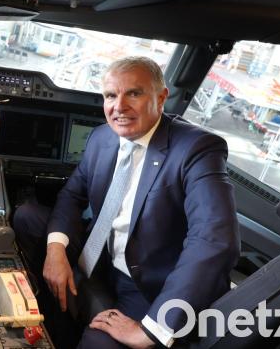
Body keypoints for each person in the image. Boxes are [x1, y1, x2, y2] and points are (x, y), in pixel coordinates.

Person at [14, 56, 240, 348]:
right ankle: (50, 314)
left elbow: (215, 240)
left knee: (100, 344)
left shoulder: (196, 149)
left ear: (161, 97)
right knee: (27, 217)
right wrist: (56, 251)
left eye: (133, 93)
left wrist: (153, 330)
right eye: (111, 95)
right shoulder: (101, 138)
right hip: (103, 253)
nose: (119, 107)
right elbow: (72, 195)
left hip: (147, 281)